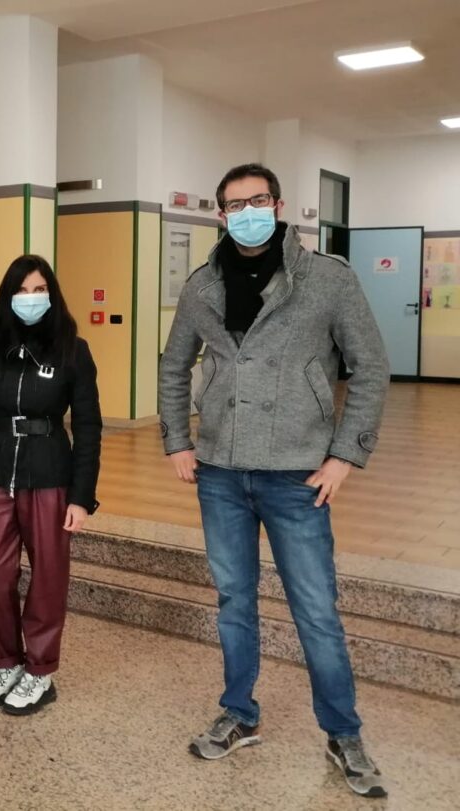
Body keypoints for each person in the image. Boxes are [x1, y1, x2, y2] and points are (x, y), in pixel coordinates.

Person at [159, 163, 391, 798]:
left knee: (316, 610)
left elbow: (371, 368)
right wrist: (178, 441)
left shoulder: (326, 279)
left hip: (298, 475)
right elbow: (174, 366)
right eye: (234, 205)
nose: (246, 212)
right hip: (221, 474)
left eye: (257, 200)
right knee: (234, 601)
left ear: (279, 204)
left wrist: (345, 455)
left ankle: (344, 733)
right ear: (220, 215)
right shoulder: (202, 285)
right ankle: (239, 713)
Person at [0, 254, 102, 715]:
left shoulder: (71, 349)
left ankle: (40, 671)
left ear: (52, 296)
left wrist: (81, 496)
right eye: (23, 290)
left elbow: (89, 426)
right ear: (9, 296)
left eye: (40, 291)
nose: (32, 299)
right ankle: (6, 663)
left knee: (47, 579)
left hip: (49, 477)